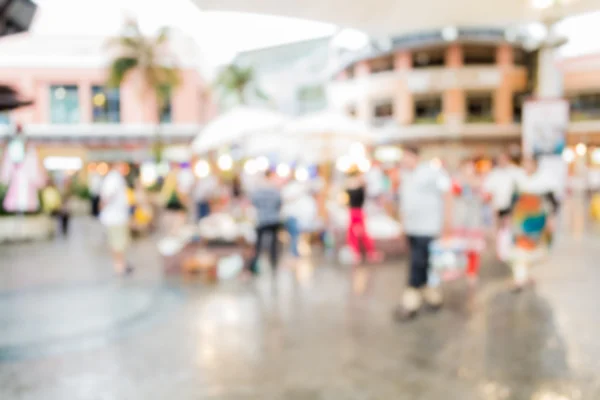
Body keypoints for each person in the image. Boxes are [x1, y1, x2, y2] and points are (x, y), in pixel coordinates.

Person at [394, 147, 453, 321]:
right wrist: (402, 226)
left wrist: (447, 222)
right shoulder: (405, 176)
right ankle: (432, 296)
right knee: (422, 262)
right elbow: (405, 203)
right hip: (412, 227)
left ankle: (411, 300)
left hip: (427, 227)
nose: (404, 160)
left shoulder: (431, 172)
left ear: (415, 156)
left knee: (418, 262)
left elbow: (447, 193)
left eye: (406, 156)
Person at [509, 156, 559, 291]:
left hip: (538, 220)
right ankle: (519, 278)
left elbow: (553, 204)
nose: (526, 167)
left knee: (535, 250)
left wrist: (551, 219)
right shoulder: (519, 180)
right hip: (521, 220)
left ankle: (525, 274)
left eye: (529, 164)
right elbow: (513, 200)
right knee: (520, 249)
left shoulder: (545, 181)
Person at [100, 162, 133, 275]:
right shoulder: (114, 178)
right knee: (118, 243)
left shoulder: (115, 178)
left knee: (119, 243)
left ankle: (121, 264)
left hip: (117, 216)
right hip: (115, 217)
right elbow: (108, 195)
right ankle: (119, 266)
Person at [248, 170, 282, 275]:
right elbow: (279, 202)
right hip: (273, 219)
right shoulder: (274, 189)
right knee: (274, 243)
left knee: (258, 243)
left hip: (261, 219)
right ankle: (273, 263)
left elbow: (254, 202)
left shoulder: (259, 189)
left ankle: (255, 263)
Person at [345, 167, 382, 264]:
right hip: (355, 211)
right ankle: (358, 253)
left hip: (358, 211)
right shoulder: (354, 185)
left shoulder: (362, 186)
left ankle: (367, 252)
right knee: (355, 233)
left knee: (361, 233)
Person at [483, 152, 522, 229]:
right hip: (497, 207)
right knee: (498, 229)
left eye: (504, 159)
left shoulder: (516, 171)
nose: (502, 161)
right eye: (500, 159)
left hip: (513, 207)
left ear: (508, 159)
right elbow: (487, 190)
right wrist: (492, 206)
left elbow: (521, 188)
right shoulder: (493, 173)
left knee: (511, 229)